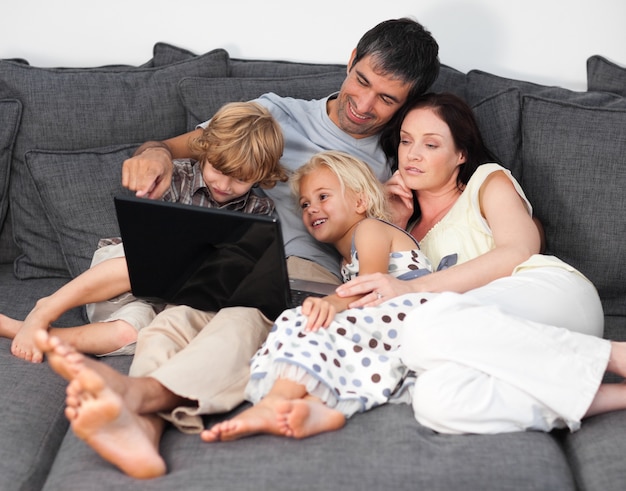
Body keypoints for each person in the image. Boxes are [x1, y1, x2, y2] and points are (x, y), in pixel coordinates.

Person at [34, 18, 442, 479]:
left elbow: (429, 235)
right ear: (350, 60)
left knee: (241, 322)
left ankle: (136, 400)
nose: (364, 106)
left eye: (387, 99)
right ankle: (139, 428)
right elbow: (176, 146)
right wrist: (156, 155)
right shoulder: (274, 116)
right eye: (361, 81)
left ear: (408, 103)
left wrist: (402, 219)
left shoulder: (400, 156)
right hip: (224, 264)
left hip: (304, 282)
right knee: (172, 320)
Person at [202, 92, 606, 441]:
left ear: (460, 154)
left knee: (425, 328)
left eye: (431, 144)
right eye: (406, 142)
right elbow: (384, 264)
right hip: (480, 342)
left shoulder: (486, 181)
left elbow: (518, 251)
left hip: (546, 296)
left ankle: (614, 356)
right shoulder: (402, 231)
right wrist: (393, 222)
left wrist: (413, 289)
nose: (412, 154)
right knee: (436, 400)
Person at [1, 101, 286, 364]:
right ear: (205, 151)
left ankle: (28, 333)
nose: (224, 184)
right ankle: (46, 308)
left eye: (241, 178)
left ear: (262, 175)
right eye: (219, 169)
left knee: (132, 336)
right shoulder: (176, 176)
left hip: (163, 302)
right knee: (147, 259)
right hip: (119, 277)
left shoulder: (259, 212)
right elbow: (145, 234)